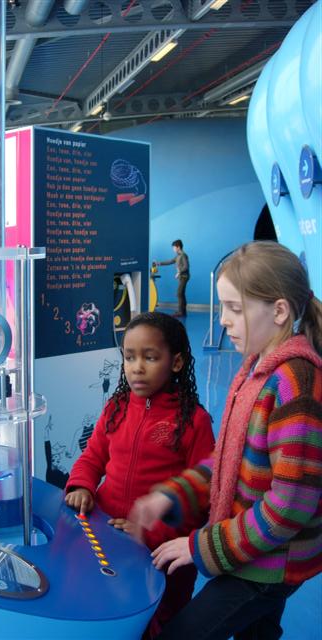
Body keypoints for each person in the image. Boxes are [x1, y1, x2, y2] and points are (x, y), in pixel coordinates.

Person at [129, 241, 322, 640]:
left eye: (235, 308)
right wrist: (174, 494)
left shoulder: (295, 384)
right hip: (253, 548)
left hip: (268, 566)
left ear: (279, 311)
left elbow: (290, 507)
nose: (223, 321)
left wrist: (200, 547)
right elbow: (229, 460)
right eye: (222, 308)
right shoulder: (255, 369)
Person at [65, 312, 214, 637]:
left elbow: (200, 497)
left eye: (150, 357)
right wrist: (82, 486)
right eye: (129, 357)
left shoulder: (194, 421)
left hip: (160, 554)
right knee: (105, 612)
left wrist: (151, 532)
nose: (136, 367)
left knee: (159, 623)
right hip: (106, 537)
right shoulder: (116, 407)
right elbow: (92, 456)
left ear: (176, 362)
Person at [153, 240, 190, 318]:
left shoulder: (183, 255)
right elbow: (170, 261)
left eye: (174, 247)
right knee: (181, 294)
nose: (173, 249)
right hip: (181, 277)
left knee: (179, 293)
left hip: (184, 277)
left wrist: (179, 272)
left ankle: (181, 312)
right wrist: (158, 263)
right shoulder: (178, 256)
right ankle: (183, 311)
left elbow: (186, 267)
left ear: (178, 247)